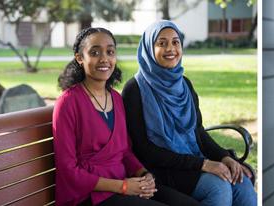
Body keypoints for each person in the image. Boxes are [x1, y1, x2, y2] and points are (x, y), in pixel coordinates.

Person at [53, 27, 199, 206]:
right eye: (95, 52)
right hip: (88, 195)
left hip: (124, 184)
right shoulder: (68, 103)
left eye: (110, 51)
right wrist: (122, 187)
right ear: (79, 58)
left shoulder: (116, 98)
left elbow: (125, 152)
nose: (104, 58)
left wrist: (144, 175)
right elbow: (68, 170)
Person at [121, 21, 257, 206]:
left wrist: (225, 157)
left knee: (242, 182)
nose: (171, 48)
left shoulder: (184, 84)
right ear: (149, 48)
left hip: (191, 159)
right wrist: (204, 164)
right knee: (218, 187)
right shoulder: (134, 89)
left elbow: (198, 132)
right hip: (159, 169)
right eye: (162, 43)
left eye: (176, 42)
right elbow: (144, 149)